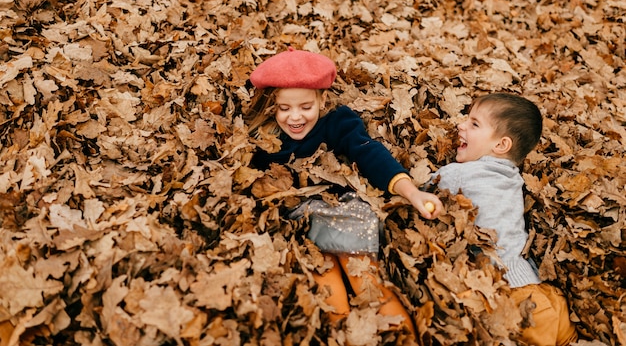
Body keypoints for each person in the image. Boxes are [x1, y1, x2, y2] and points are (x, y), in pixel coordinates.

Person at [245, 47, 443, 337]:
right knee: (330, 291)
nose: (295, 118)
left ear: (322, 99)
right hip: (301, 222)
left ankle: (405, 339)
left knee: (367, 280)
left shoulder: (338, 121)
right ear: (270, 104)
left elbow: (369, 154)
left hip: (343, 208)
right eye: (283, 108)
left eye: (305, 107)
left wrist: (412, 193)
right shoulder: (263, 140)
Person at [430, 93, 578, 346]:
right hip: (542, 292)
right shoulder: (513, 177)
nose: (461, 125)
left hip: (513, 300)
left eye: (474, 124)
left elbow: (422, 188)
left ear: (501, 145)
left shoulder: (459, 173)